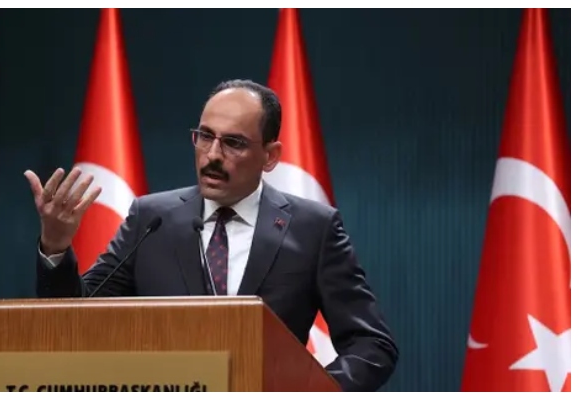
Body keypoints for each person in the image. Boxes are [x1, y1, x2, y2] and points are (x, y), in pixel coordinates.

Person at [25, 79, 398, 391]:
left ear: (270, 156)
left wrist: (310, 393)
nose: (212, 155)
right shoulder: (151, 219)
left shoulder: (313, 228)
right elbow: (75, 321)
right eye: (205, 137)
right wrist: (56, 245)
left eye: (233, 143)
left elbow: (372, 344)